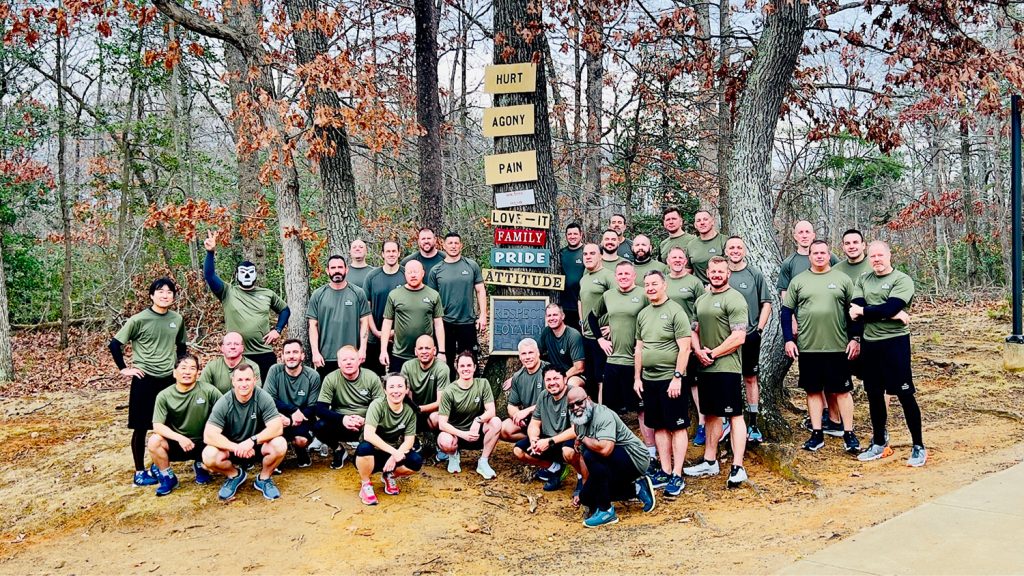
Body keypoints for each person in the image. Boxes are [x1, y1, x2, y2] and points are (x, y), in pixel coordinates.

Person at [781, 240, 861, 453]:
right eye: (815, 253)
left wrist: (855, 338)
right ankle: (817, 433)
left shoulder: (842, 279)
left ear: (829, 255)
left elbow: (854, 311)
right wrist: (789, 339)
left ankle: (849, 433)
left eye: (822, 252)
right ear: (810, 256)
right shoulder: (799, 281)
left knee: (843, 391)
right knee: (813, 391)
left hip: (838, 346)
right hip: (808, 347)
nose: (819, 256)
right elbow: (786, 311)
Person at [851, 241, 926, 466]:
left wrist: (874, 311)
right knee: (874, 394)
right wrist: (891, 314)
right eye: (872, 256)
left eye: (880, 255)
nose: (876, 260)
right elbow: (855, 311)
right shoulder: (863, 279)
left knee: (904, 394)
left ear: (889, 255)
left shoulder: (901, 280)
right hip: (870, 344)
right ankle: (879, 443)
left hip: (895, 344)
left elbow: (886, 307)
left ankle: (918, 446)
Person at [110, 276, 187, 487]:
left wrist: (180, 368)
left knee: (170, 424)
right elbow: (115, 345)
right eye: (160, 291)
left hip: (168, 379)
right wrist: (125, 369)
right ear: (152, 295)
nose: (165, 295)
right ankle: (139, 471)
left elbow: (181, 347)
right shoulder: (138, 319)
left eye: (169, 292)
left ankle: (160, 465)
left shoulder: (177, 319)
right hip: (145, 379)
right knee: (141, 426)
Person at [685, 257, 749, 488]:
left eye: (721, 271)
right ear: (708, 273)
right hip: (705, 367)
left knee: (734, 416)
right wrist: (698, 350)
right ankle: (710, 461)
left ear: (728, 273)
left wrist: (713, 354)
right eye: (713, 271)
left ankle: (738, 466)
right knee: (711, 414)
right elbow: (693, 329)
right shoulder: (701, 300)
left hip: (727, 368)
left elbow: (739, 337)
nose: (716, 274)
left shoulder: (735, 299)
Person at [633, 270, 692, 498]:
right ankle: (665, 470)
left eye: (654, 284)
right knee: (658, 426)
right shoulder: (643, 314)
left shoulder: (676, 311)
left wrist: (677, 376)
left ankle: (677, 474)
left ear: (664, 286)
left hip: (671, 380)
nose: (650, 288)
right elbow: (639, 348)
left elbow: (685, 348)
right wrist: (637, 377)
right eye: (646, 284)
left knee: (677, 426)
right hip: (649, 380)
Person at [778, 220, 840, 431]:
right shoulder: (789, 263)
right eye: (800, 232)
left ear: (814, 235)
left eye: (807, 231)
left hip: (832, 331)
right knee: (813, 377)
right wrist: (793, 321)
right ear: (795, 236)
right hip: (804, 328)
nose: (804, 235)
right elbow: (785, 295)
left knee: (832, 378)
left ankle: (834, 417)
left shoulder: (831, 258)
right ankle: (820, 414)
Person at [202, 230, 289, 380]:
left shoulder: (267, 293)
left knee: (265, 394)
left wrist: (278, 330)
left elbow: (285, 310)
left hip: (263, 353)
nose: (247, 275)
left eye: (250, 272)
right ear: (236, 275)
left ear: (256, 274)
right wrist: (210, 253)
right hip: (237, 355)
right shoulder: (227, 292)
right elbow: (209, 276)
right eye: (243, 272)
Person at [567, 386, 657, 528]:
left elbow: (605, 450)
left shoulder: (603, 415)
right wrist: (585, 486)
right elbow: (583, 459)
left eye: (579, 403)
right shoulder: (579, 422)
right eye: (571, 405)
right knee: (586, 497)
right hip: (612, 462)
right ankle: (637, 488)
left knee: (591, 454)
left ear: (588, 399)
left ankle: (606, 511)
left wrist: (583, 438)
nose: (576, 408)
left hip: (635, 458)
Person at [202, 364, 287, 501]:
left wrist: (251, 441)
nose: (244, 384)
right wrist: (237, 447)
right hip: (232, 449)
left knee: (280, 444)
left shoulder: (263, 397)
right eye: (240, 380)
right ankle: (234, 475)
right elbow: (209, 435)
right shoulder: (224, 402)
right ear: (233, 381)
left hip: (257, 447)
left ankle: (264, 479)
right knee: (209, 455)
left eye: (247, 380)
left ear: (255, 380)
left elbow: (277, 427)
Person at [148, 354, 222, 496]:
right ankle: (167, 477)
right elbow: (157, 426)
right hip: (178, 443)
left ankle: (201, 465)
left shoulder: (209, 390)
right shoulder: (164, 395)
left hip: (205, 442)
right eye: (183, 368)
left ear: (198, 373)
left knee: (216, 460)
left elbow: (226, 412)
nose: (187, 372)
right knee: (154, 441)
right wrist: (179, 438)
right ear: (174, 372)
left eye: (192, 368)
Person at [724, 236, 772, 443]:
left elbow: (767, 303)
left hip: (750, 335)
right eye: (731, 247)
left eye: (739, 247)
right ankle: (727, 419)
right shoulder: (721, 273)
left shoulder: (754, 274)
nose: (735, 250)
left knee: (750, 378)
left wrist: (758, 329)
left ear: (744, 250)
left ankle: (753, 422)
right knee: (728, 378)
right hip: (725, 338)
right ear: (726, 251)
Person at [355, 374, 424, 505]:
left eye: (400, 386)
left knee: (416, 461)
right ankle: (365, 484)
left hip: (392, 454)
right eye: (391, 387)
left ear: (406, 389)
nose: (396, 391)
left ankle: (388, 475)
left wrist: (394, 456)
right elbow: (368, 435)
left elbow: (409, 441)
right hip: (372, 453)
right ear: (385, 390)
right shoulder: (377, 405)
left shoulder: (410, 411)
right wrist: (395, 453)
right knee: (364, 447)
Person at [313, 346, 385, 469]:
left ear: (359, 361)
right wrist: (343, 419)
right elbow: (320, 408)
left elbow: (382, 407)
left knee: (386, 425)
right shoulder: (331, 378)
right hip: (342, 423)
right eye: (344, 359)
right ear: (339, 363)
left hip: (366, 424)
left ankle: (369, 451)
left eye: (352, 359)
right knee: (319, 427)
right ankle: (338, 450)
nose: (348, 362)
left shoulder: (371, 377)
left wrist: (366, 420)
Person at [427, 232, 486, 374]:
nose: (453, 246)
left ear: (461, 245)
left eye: (456, 243)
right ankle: (447, 391)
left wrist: (483, 315)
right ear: (444, 245)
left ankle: (472, 391)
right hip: (445, 322)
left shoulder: (471, 266)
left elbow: (480, 290)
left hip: (467, 321)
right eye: (450, 243)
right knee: (446, 361)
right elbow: (431, 299)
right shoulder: (436, 270)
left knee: (469, 359)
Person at [437, 353, 502, 479]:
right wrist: (463, 435)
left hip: (477, 433)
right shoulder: (449, 391)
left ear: (474, 367)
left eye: (469, 365)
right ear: (457, 368)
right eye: (462, 366)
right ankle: (453, 455)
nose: (465, 369)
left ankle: (483, 461)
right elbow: (442, 423)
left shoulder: (483, 384)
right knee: (444, 440)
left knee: (496, 422)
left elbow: (491, 411)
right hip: (457, 435)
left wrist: (477, 421)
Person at [307, 254, 371, 381]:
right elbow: (312, 325)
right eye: (333, 267)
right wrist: (315, 352)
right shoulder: (318, 295)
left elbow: (364, 322)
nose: (337, 270)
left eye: (340, 267)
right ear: (327, 271)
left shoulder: (358, 293)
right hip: (325, 357)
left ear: (346, 270)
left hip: (352, 357)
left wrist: (362, 349)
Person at [512, 366, 577, 492]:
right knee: (518, 450)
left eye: (556, 378)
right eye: (548, 380)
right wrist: (533, 439)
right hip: (549, 439)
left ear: (565, 379)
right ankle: (554, 468)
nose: (552, 382)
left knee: (568, 451)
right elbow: (535, 423)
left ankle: (581, 478)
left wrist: (550, 441)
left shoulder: (573, 394)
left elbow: (576, 429)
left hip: (568, 439)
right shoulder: (543, 396)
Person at [264, 339, 322, 468]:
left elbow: (312, 407)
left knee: (301, 440)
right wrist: (292, 410)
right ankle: (277, 458)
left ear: (302, 355)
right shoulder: (274, 371)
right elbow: (268, 399)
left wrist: (292, 419)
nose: (291, 356)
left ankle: (301, 451)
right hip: (278, 416)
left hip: (303, 418)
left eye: (295, 352)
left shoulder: (313, 376)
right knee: (273, 439)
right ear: (282, 356)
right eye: (287, 352)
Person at [379, 261, 446, 371]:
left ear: (423, 273)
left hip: (425, 354)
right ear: (405, 274)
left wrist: (442, 351)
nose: (413, 275)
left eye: (416, 272)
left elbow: (438, 324)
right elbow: (387, 323)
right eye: (410, 272)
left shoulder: (433, 295)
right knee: (398, 385)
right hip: (400, 353)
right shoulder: (394, 295)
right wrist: (383, 350)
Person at [399, 335, 452, 454]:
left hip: (432, 411)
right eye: (421, 348)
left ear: (434, 350)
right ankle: (412, 442)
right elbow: (406, 395)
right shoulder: (407, 366)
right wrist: (411, 408)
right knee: (399, 409)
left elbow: (441, 403)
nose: (424, 351)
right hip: (414, 410)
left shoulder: (442, 368)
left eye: (427, 348)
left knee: (437, 418)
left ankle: (440, 443)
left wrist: (419, 409)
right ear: (415, 351)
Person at [364, 240, 406, 375]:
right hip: (375, 337)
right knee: (375, 378)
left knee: (398, 379)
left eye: (394, 251)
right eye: (388, 251)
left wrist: (395, 331)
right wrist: (376, 331)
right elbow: (366, 308)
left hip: (400, 338)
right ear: (382, 254)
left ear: (399, 253)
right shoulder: (372, 276)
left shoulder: (406, 275)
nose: (391, 254)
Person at [579, 243, 614, 400]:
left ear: (601, 255)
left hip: (602, 337)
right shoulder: (585, 277)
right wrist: (581, 323)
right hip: (587, 335)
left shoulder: (608, 276)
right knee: (591, 377)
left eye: (592, 253)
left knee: (602, 378)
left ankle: (602, 412)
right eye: (585, 254)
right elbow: (581, 301)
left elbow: (620, 301)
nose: (588, 257)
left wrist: (613, 328)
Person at [499, 339, 549, 443]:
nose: (527, 357)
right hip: (529, 421)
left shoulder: (549, 371)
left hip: (548, 420)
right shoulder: (518, 377)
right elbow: (512, 404)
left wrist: (526, 411)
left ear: (538, 353)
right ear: (520, 357)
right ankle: (533, 441)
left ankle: (547, 443)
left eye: (531, 352)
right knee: (505, 429)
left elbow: (553, 402)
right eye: (524, 354)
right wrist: (517, 415)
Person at [537, 303, 587, 388]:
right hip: (553, 375)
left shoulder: (573, 335)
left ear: (563, 316)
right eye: (549, 315)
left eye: (555, 315)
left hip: (573, 375)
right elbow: (535, 355)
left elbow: (579, 367)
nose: (552, 318)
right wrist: (515, 377)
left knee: (571, 384)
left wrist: (562, 377)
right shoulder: (546, 332)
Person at [196, 332, 262, 394]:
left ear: (242, 348)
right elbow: (201, 389)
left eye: (236, 344)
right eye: (228, 344)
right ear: (222, 348)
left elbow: (256, 391)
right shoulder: (212, 366)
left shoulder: (252, 366)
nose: (232, 347)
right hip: (218, 404)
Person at [685, 209, 726, 284]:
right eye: (698, 221)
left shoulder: (724, 241)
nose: (702, 223)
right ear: (695, 225)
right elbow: (688, 271)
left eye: (705, 219)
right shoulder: (691, 245)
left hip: (722, 287)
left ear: (712, 222)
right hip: (701, 290)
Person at [558, 222, 586, 332]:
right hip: (565, 306)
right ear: (566, 236)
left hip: (582, 306)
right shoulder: (561, 253)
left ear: (581, 235)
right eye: (569, 234)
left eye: (575, 234)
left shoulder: (586, 252)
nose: (572, 236)